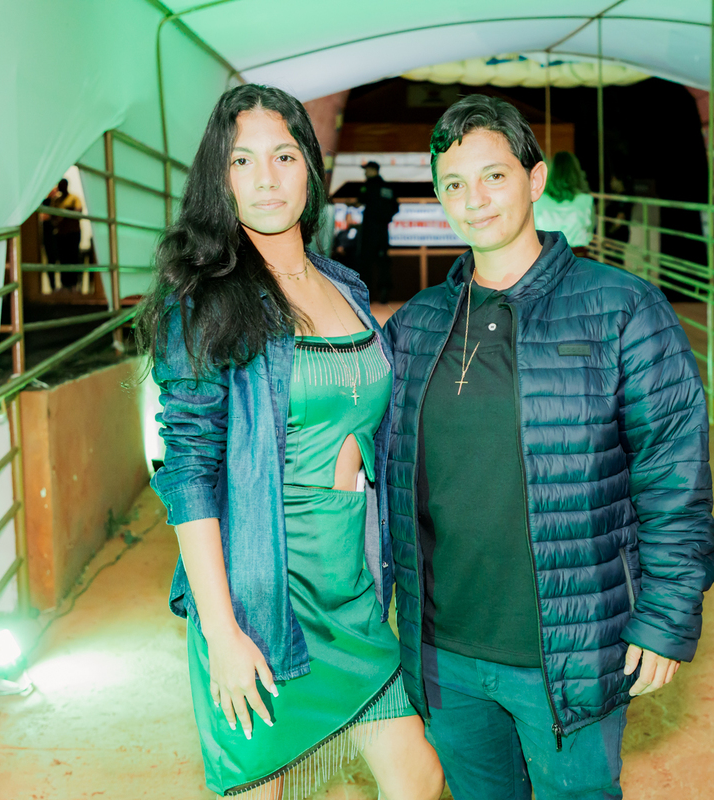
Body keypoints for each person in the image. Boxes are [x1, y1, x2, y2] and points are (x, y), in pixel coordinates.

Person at [383, 95, 714, 798]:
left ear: (535, 180)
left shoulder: (622, 309)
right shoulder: (417, 324)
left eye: (494, 176)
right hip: (444, 651)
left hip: (567, 648)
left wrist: (665, 616)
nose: (474, 200)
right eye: (454, 184)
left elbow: (673, 473)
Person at [137, 84, 443, 800]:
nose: (266, 179)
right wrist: (222, 634)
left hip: (351, 587)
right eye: (241, 161)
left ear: (310, 165)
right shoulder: (204, 303)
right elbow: (188, 472)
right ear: (219, 179)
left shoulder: (346, 286)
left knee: (419, 777)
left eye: (283, 155)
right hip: (261, 595)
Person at [533, 151, 594, 255]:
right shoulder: (586, 200)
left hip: (547, 256)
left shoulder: (538, 200)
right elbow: (589, 233)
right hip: (577, 256)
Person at [355, 161, 400, 303]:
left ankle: (365, 294)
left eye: (367, 170)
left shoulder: (368, 185)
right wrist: (385, 217)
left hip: (369, 230)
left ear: (373, 170)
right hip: (383, 230)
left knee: (365, 262)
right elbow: (395, 207)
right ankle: (384, 292)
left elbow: (360, 201)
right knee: (383, 262)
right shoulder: (387, 187)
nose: (365, 173)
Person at [48, 178, 84, 288]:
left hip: (73, 233)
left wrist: (65, 216)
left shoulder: (74, 198)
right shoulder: (56, 201)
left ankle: (74, 284)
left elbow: (78, 211)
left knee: (73, 258)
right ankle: (65, 284)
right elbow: (52, 215)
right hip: (61, 234)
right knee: (63, 259)